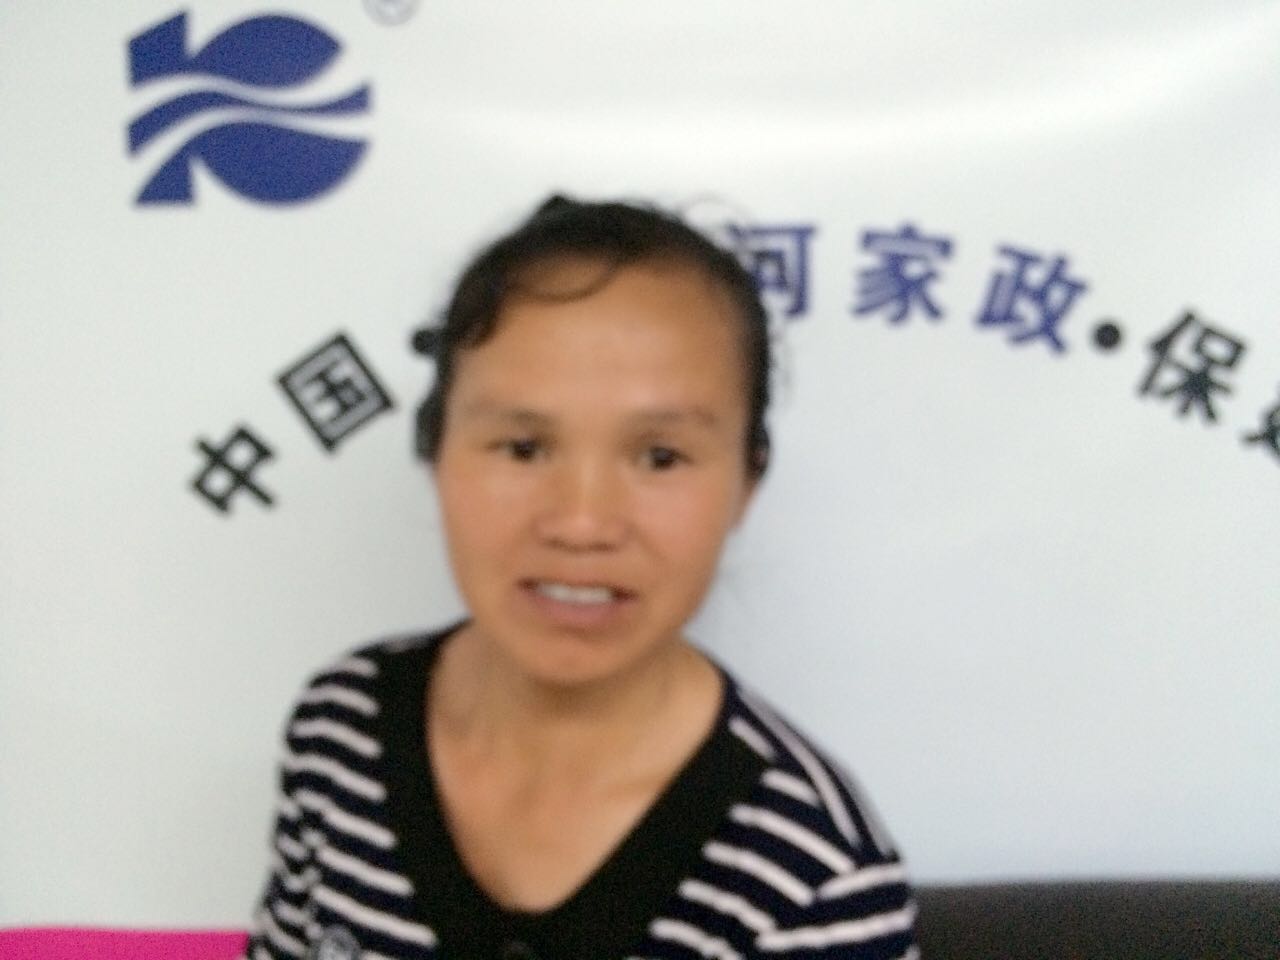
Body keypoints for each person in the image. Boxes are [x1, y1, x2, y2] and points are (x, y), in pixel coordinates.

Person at [244, 196, 918, 960]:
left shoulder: (813, 869)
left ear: (747, 482)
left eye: (660, 457)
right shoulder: (342, 726)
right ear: (436, 452)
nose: (582, 523)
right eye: (523, 448)